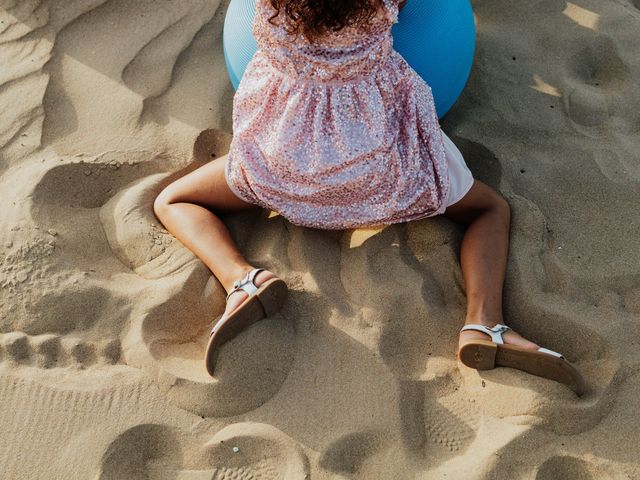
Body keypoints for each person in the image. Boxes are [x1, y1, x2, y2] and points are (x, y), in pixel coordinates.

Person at [153, 0, 585, 394]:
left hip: (281, 174)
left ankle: (242, 281)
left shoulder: (268, 6)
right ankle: (485, 323)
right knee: (490, 209)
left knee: (172, 200)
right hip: (385, 176)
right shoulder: (381, 6)